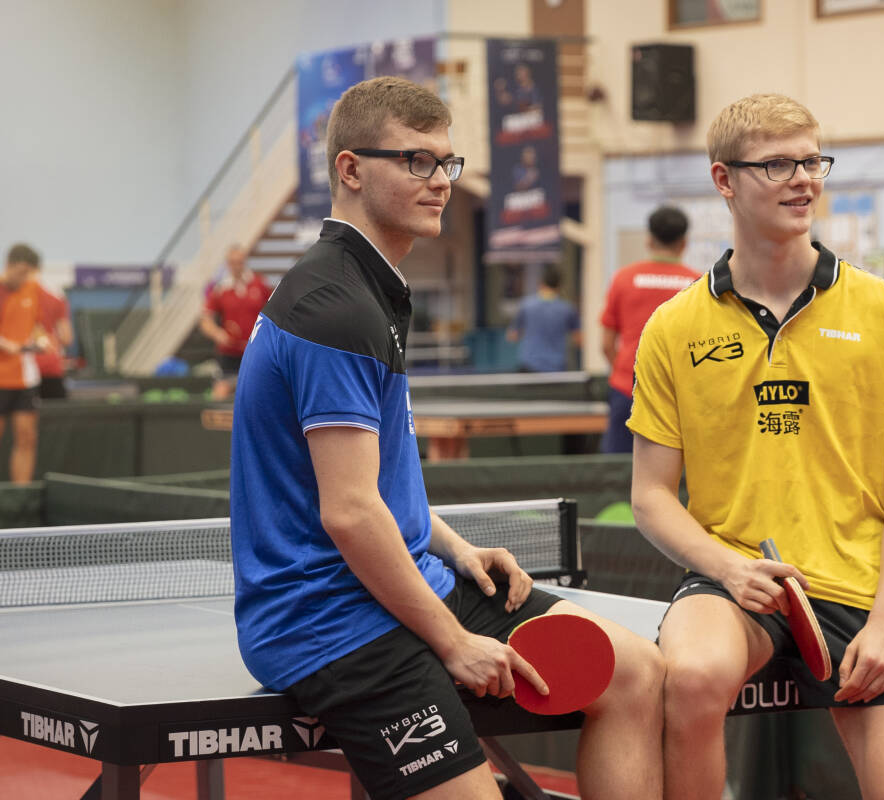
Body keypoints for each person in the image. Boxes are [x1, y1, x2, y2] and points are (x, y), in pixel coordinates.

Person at [229, 76, 663, 800]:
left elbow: (376, 487)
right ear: (351, 169)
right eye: (416, 162)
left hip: (402, 578)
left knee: (636, 671)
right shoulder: (333, 307)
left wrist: (455, 547)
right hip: (327, 619)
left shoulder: (373, 288)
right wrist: (454, 640)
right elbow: (348, 511)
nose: (439, 182)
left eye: (446, 163)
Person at [628, 94, 884, 800]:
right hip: (737, 585)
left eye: (811, 160)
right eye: (777, 164)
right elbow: (649, 495)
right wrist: (730, 568)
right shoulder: (673, 328)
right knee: (693, 675)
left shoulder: (883, 309)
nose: (803, 179)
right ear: (723, 180)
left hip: (864, 591)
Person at [598, 205, 699, 453]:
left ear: (649, 240)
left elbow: (606, 344)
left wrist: (625, 374)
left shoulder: (623, 279)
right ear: (684, 243)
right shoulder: (698, 285)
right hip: (680, 396)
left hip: (627, 390)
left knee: (617, 474)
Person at [199, 244, 269, 399]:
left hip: (254, 352)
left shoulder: (260, 284)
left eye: (240, 262)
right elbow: (205, 320)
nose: (237, 266)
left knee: (258, 394)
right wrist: (218, 334)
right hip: (229, 354)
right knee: (220, 393)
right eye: (233, 262)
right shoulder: (220, 289)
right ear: (227, 263)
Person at [0, 244, 45, 483]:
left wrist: (40, 339)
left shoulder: (33, 289)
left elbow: (38, 324)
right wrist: (5, 343)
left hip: (25, 377)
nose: (24, 278)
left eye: (28, 273)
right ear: (9, 265)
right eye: (21, 272)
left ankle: (21, 495)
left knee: (27, 438)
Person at [506, 264, 581, 372]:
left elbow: (512, 336)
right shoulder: (567, 309)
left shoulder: (526, 305)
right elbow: (578, 340)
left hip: (529, 365)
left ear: (541, 284)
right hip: (557, 367)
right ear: (559, 286)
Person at [31, 261, 73, 400]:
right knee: (55, 416)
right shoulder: (56, 299)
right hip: (50, 366)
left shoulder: (10, 299)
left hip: (22, 369)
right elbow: (66, 338)